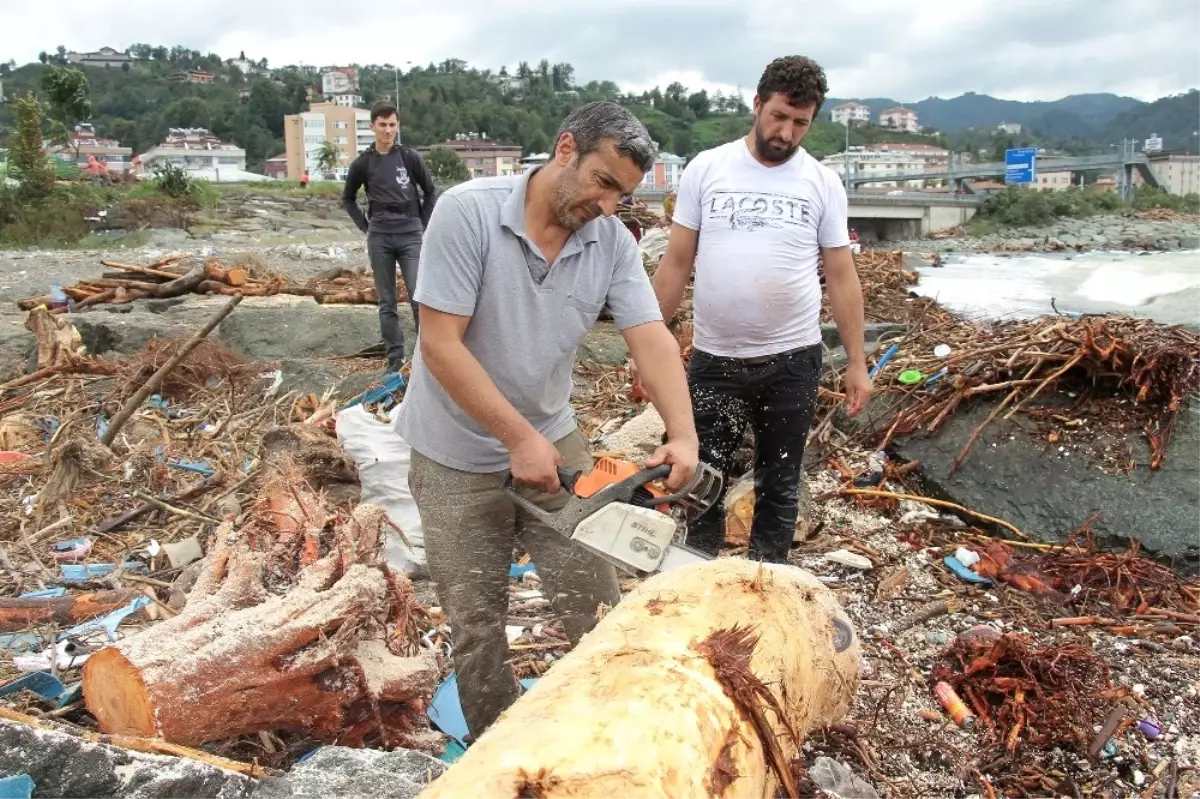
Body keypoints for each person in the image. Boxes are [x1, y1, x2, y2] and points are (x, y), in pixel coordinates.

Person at [397, 100, 700, 741]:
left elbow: (650, 337)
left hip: (551, 438)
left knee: (596, 601)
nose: (610, 206)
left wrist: (682, 432)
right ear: (566, 150)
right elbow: (440, 344)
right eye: (604, 183)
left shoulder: (611, 243)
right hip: (452, 451)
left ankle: (613, 739)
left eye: (624, 194)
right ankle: (497, 758)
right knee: (477, 627)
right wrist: (514, 438)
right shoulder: (467, 213)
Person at [646, 55, 871, 564]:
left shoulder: (821, 183)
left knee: (780, 479)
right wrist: (649, 346)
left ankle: (769, 581)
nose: (787, 132)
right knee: (704, 475)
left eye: (800, 123)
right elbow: (677, 262)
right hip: (715, 358)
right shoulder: (708, 168)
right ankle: (695, 577)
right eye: (779, 116)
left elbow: (841, 277)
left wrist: (857, 364)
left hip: (792, 358)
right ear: (757, 104)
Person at [342, 100, 438, 372]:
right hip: (380, 237)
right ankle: (395, 359)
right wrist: (365, 227)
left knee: (419, 297)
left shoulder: (410, 157)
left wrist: (422, 224)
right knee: (387, 303)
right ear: (372, 126)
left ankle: (426, 357)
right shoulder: (362, 163)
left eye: (392, 125)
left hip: (410, 235)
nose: (387, 130)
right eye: (382, 125)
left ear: (398, 126)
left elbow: (431, 191)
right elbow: (348, 199)